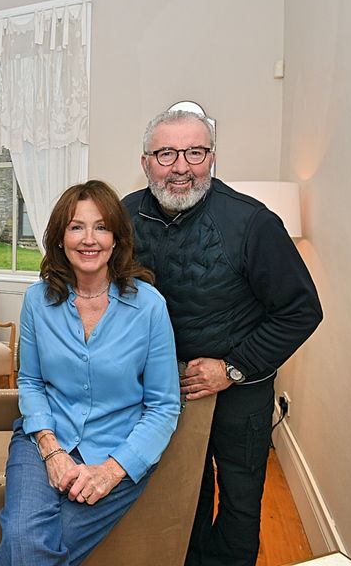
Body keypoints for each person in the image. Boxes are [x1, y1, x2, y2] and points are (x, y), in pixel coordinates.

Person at [123, 109, 323, 566]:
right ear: (145, 161)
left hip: (241, 393)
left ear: (211, 158)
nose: (180, 167)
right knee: (182, 495)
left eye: (195, 152)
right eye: (166, 153)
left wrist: (231, 367)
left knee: (238, 502)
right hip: (163, 392)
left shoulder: (252, 223)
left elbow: (301, 310)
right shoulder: (124, 215)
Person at [0, 180, 180, 565]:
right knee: (24, 535)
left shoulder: (150, 307)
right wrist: (52, 449)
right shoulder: (36, 301)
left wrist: (111, 471)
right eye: (77, 226)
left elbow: (164, 407)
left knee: (36, 546)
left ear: (116, 238)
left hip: (118, 449)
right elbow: (30, 381)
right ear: (60, 238)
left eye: (101, 227)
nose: (89, 239)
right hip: (41, 435)